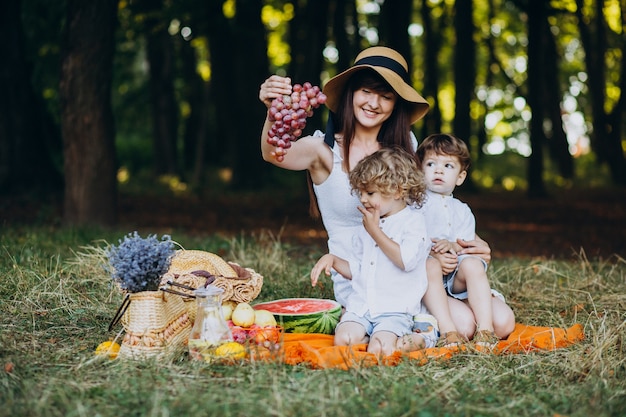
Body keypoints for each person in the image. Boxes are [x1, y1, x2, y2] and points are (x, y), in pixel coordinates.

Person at [258, 46, 491, 345]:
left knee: (484, 321)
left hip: (407, 266)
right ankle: (413, 332)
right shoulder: (323, 150)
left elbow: (422, 208)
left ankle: (419, 329)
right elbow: (273, 153)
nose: (374, 103)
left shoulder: (405, 145)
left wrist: (463, 245)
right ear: (350, 94)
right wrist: (272, 111)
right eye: (366, 91)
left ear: (396, 105)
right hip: (357, 275)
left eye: (386, 95)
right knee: (462, 323)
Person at [310, 147, 434, 356]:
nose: (363, 199)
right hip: (362, 306)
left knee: (382, 348)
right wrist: (333, 260)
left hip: (394, 309)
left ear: (397, 191)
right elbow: (359, 270)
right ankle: (371, 334)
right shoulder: (367, 226)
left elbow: (407, 260)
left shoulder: (413, 222)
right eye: (360, 193)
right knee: (343, 339)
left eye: (370, 193)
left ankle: (422, 337)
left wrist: (375, 232)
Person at [416, 133, 516, 345]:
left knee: (504, 322)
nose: (439, 170)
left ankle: (486, 331)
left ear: (460, 177)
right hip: (427, 283)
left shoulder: (462, 210)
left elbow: (468, 246)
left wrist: (453, 246)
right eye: (431, 163)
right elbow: (406, 240)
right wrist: (432, 252)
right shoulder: (414, 205)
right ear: (420, 170)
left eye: (448, 166)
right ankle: (444, 326)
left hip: (456, 280)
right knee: (463, 327)